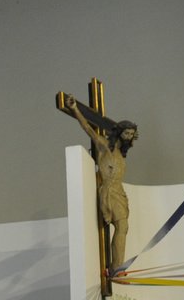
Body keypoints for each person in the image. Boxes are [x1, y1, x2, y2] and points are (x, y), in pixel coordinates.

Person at [58, 92, 138, 272]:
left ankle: (117, 266)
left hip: (119, 192)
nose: (129, 136)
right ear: (119, 132)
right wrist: (75, 109)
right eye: (126, 133)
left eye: (131, 134)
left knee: (123, 227)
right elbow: (88, 128)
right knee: (122, 226)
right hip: (109, 191)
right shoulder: (102, 145)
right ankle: (117, 267)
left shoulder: (122, 154)